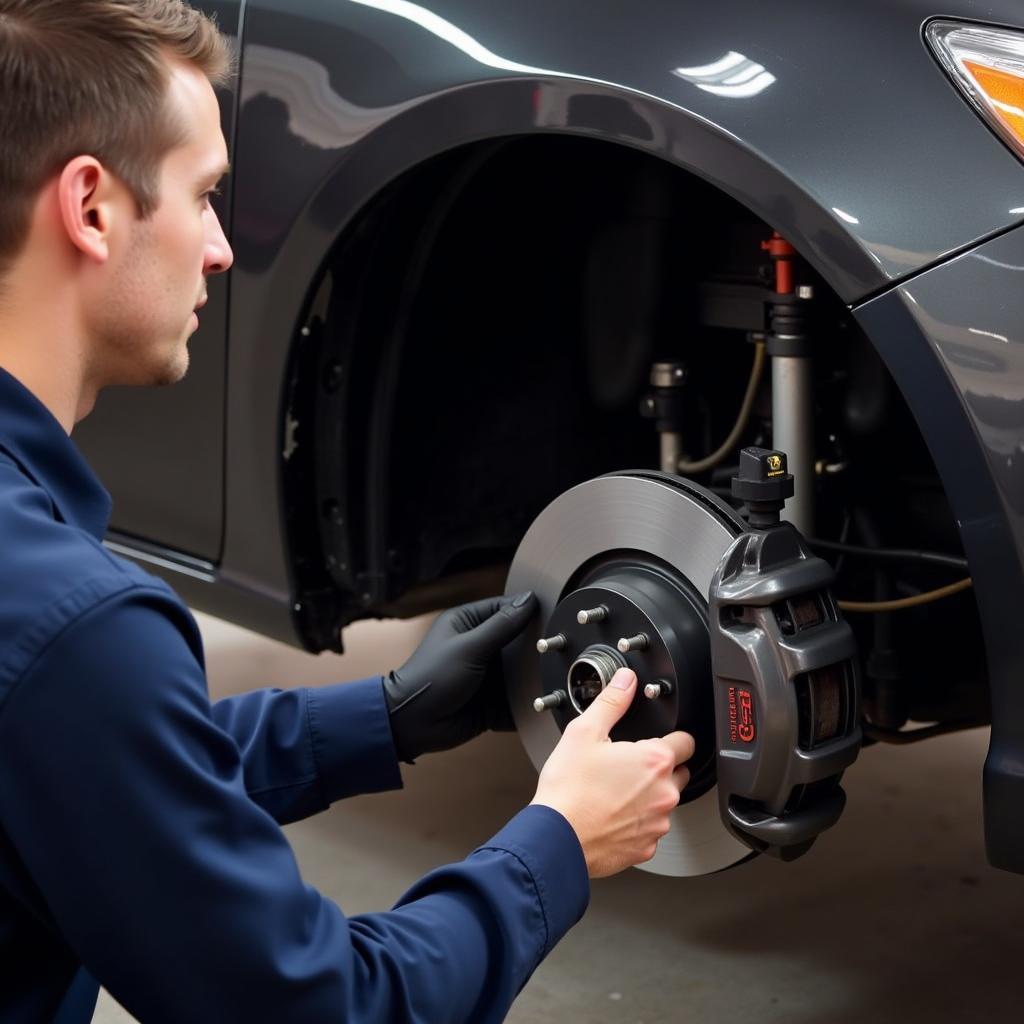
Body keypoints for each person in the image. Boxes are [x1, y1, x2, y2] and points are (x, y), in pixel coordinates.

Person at [0, 2, 696, 1021]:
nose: (222, 250)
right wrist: (558, 842)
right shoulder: (77, 625)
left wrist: (387, 716)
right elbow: (328, 1007)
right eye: (204, 197)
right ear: (92, 208)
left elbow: (102, 772)